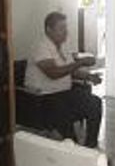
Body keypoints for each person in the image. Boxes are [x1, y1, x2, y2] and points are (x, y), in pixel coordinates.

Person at [24, 12, 103, 147]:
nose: (66, 32)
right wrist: (80, 62)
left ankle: (91, 144)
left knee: (94, 103)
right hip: (44, 98)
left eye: (66, 28)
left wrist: (89, 76)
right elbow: (53, 73)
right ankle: (72, 147)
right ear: (49, 30)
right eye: (61, 28)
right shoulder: (41, 46)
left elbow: (71, 71)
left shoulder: (64, 46)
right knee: (63, 112)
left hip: (64, 93)